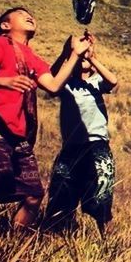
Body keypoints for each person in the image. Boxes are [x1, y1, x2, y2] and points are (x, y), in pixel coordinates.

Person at [0, 7, 90, 229]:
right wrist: (5, 81)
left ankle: (14, 241)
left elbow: (54, 85)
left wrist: (75, 54)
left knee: (33, 195)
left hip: (19, 137)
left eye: (31, 14)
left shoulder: (34, 58)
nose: (29, 15)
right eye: (20, 13)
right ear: (5, 26)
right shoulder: (0, 44)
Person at [43, 33, 118, 236]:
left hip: (97, 145)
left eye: (87, 58)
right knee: (62, 189)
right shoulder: (65, 83)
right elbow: (51, 77)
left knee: (101, 191)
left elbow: (113, 81)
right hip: (71, 146)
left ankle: (107, 237)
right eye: (81, 57)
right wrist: (68, 52)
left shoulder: (96, 82)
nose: (84, 58)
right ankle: (54, 231)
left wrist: (92, 57)